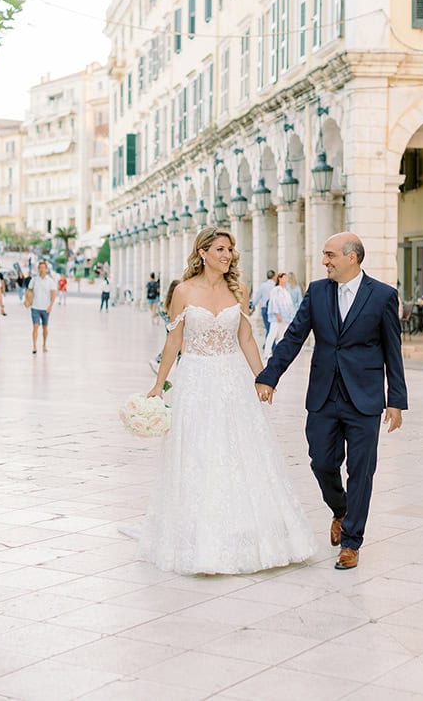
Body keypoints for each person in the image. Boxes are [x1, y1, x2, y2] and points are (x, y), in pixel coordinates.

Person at [121, 226, 316, 575]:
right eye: (221, 249)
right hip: (195, 379)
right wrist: (158, 384)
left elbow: (246, 338)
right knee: (197, 452)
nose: (228, 255)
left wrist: (264, 378)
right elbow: (173, 341)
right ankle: (196, 535)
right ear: (203, 253)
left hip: (231, 380)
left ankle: (244, 531)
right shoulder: (183, 291)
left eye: (230, 250)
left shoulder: (238, 289)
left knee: (238, 451)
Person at [255, 232, 407, 570]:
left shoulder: (382, 296)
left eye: (330, 255)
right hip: (323, 394)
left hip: (364, 397)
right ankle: (341, 510)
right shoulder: (318, 291)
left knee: (361, 470)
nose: (325, 261)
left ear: (351, 257)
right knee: (321, 461)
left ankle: (352, 542)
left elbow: (392, 352)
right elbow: (295, 335)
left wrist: (395, 400)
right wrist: (269, 376)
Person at [149, 278, 180, 374]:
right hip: (174, 329)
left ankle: (157, 361)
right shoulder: (176, 301)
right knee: (174, 349)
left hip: (169, 328)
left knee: (172, 348)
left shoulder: (167, 301)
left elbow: (162, 312)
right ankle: (157, 361)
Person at [264, 272, 295, 359]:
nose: (286, 280)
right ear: (280, 279)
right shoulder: (276, 290)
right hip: (276, 317)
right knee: (272, 334)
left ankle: (279, 353)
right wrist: (277, 313)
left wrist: (291, 316)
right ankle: (267, 352)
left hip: (285, 317)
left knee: (281, 336)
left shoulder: (286, 291)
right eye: (284, 278)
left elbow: (289, 305)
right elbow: (274, 302)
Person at [29, 260, 57, 354]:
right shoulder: (34, 280)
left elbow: (53, 294)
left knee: (45, 327)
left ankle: (44, 344)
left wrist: (50, 306)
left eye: (43, 268)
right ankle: (34, 346)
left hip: (46, 308)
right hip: (35, 307)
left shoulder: (50, 281)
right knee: (35, 326)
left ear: (46, 269)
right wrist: (27, 300)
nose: (41, 269)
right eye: (40, 268)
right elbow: (29, 291)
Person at [251, 269, 276, 344]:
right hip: (274, 309)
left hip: (264, 309)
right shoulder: (275, 286)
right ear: (274, 276)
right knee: (271, 328)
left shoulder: (263, 285)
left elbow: (257, 298)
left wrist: (253, 305)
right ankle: (271, 346)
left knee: (268, 327)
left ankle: (268, 345)